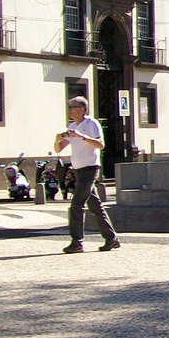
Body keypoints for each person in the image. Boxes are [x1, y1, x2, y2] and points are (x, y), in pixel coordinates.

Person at [53, 95, 119, 254]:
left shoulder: (91, 124)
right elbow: (58, 149)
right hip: (78, 169)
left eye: (73, 107)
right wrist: (57, 140)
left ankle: (76, 242)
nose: (70, 110)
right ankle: (111, 238)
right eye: (69, 107)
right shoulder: (71, 126)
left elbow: (100, 144)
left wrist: (81, 136)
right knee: (95, 206)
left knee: (76, 204)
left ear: (82, 109)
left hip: (90, 168)